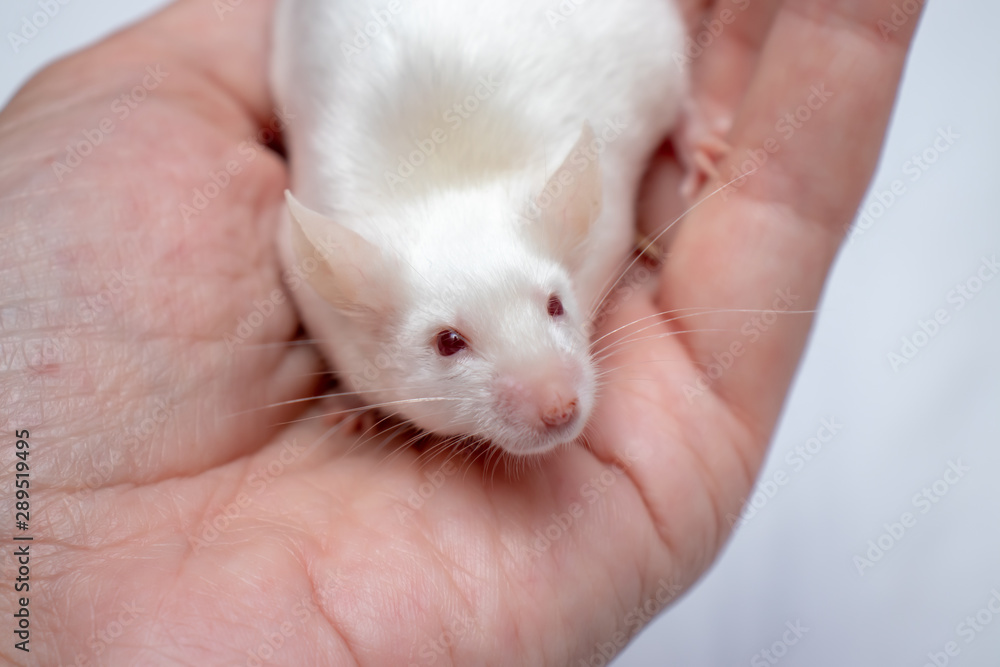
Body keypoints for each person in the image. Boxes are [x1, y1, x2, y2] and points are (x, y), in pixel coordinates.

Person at [0, 0, 922, 664]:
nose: (556, 399)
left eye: (555, 308)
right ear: (370, 320)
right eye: (449, 342)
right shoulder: (341, 272)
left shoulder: (563, 216)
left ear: (566, 242)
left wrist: (677, 113)